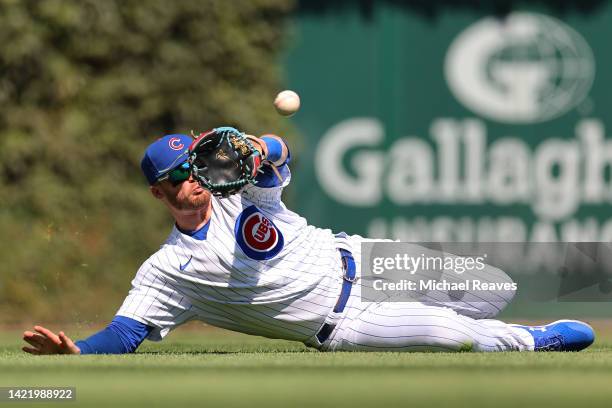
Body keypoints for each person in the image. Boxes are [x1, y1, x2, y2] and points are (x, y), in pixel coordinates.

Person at [22, 130, 595, 355]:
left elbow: (275, 160)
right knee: (457, 336)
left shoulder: (236, 195)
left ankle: (508, 324)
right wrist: (80, 355)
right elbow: (126, 332)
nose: (192, 179)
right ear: (158, 191)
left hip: (363, 257)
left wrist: (260, 144)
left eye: (195, 166)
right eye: (178, 175)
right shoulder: (167, 270)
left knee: (492, 286)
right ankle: (528, 341)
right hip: (341, 322)